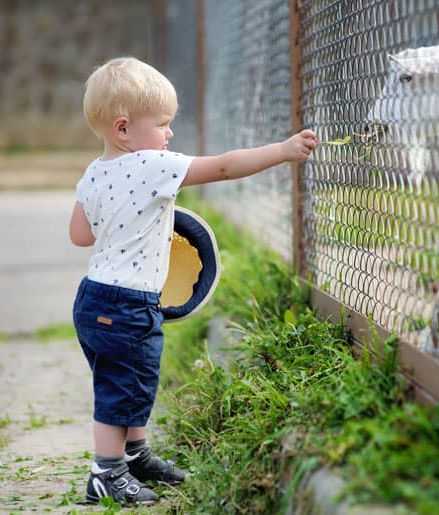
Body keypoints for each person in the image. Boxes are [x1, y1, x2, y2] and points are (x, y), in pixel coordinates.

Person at [69, 56, 317, 505]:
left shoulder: (92, 173)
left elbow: (80, 235)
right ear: (124, 128)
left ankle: (135, 456)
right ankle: (105, 473)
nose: (170, 134)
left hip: (92, 300)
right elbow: (222, 167)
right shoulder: (152, 165)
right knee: (119, 389)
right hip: (128, 305)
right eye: (163, 123)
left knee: (128, 381)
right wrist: (282, 151)